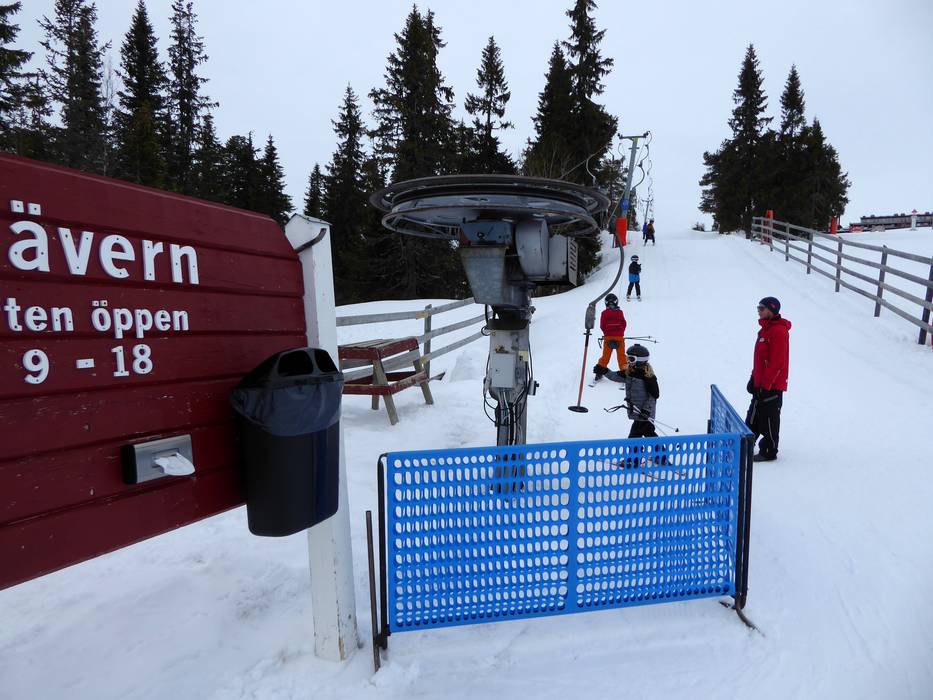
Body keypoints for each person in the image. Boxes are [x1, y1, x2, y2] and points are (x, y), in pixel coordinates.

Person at [746, 296, 791, 461]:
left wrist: (766, 385)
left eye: (762, 308)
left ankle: (769, 451)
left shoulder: (778, 331)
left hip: (772, 386)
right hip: (761, 383)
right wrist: (753, 378)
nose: (758, 311)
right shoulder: (764, 330)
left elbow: (777, 362)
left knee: (769, 419)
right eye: (758, 308)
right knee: (753, 415)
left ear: (771, 310)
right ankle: (745, 445)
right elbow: (760, 359)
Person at [606, 344, 660, 438]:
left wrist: (646, 410)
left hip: (644, 413)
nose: (628, 361)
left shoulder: (648, 377)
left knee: (636, 436)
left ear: (640, 360)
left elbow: (653, 395)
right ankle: (659, 447)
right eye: (627, 358)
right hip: (637, 412)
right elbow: (615, 376)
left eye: (631, 359)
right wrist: (604, 371)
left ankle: (635, 447)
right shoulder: (630, 372)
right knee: (648, 433)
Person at [592, 293, 626, 382]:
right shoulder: (620, 312)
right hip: (619, 338)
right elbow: (624, 324)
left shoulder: (604, 313)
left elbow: (602, 325)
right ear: (616, 302)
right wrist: (620, 332)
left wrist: (607, 333)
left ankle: (599, 372)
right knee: (621, 356)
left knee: (605, 356)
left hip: (608, 338)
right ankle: (625, 373)